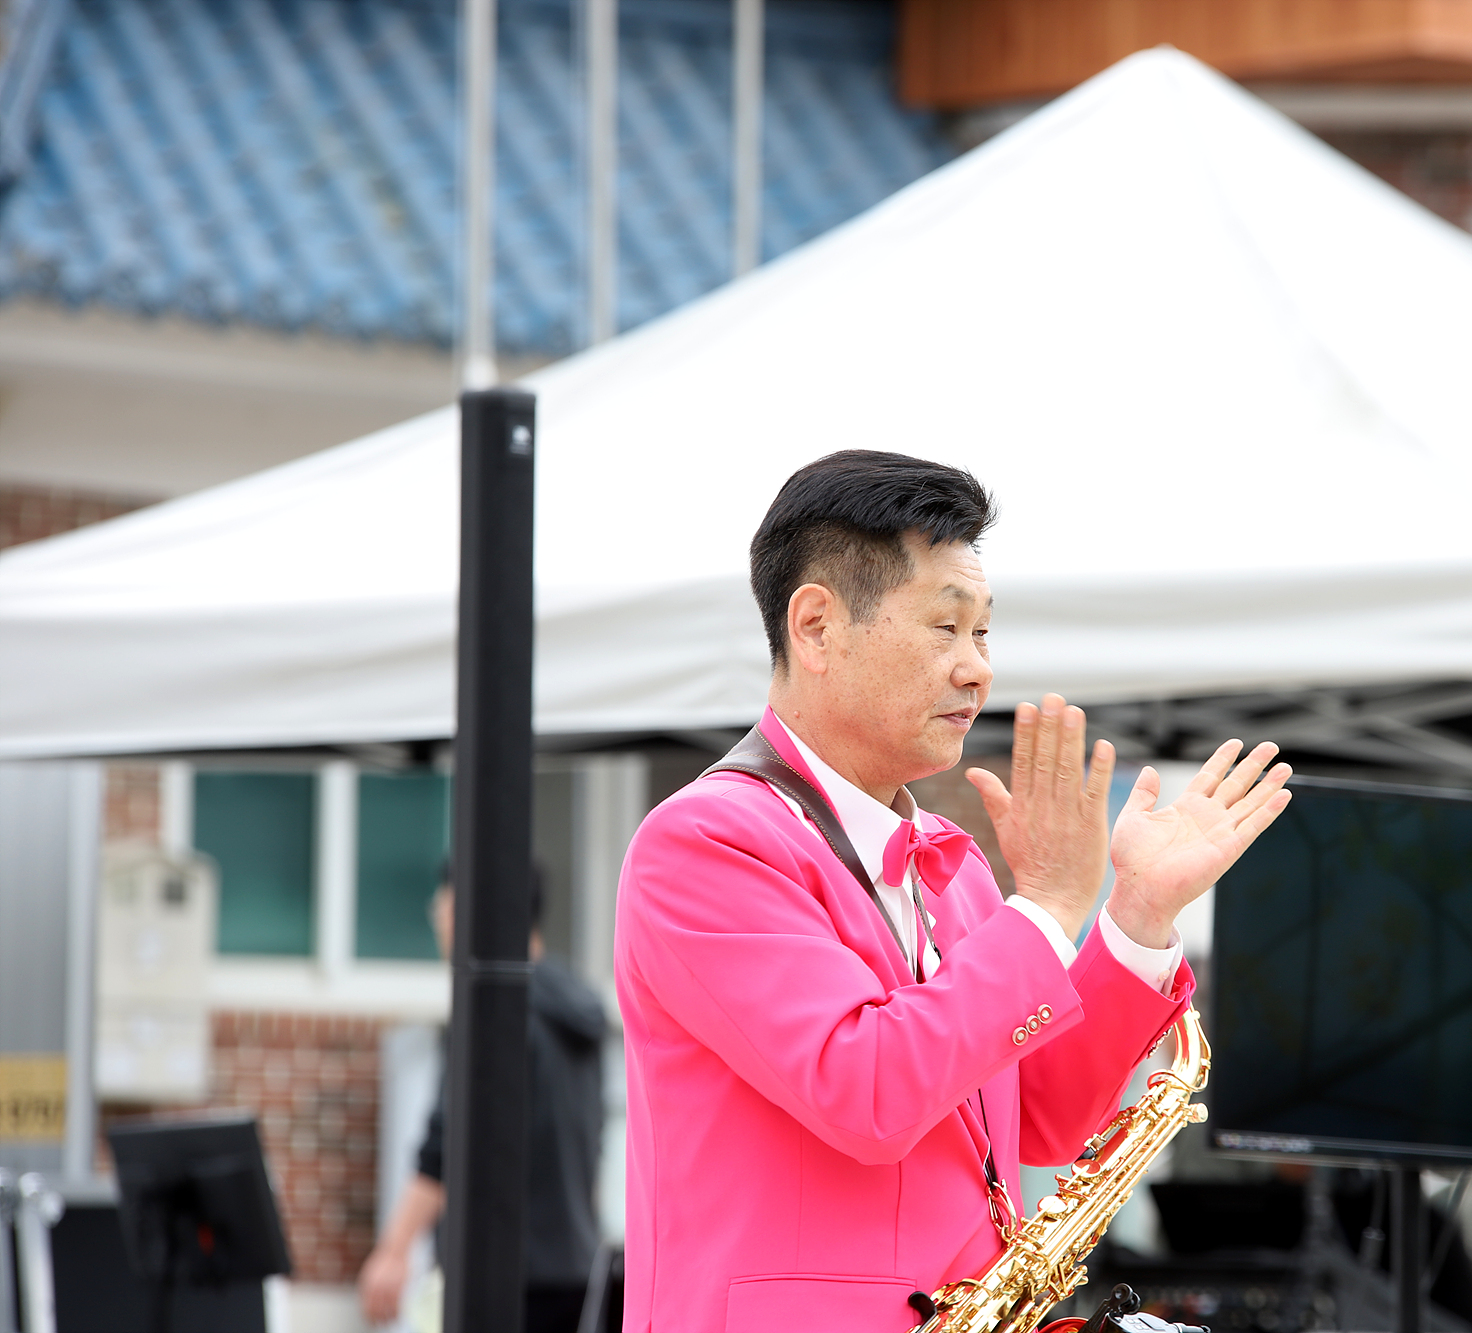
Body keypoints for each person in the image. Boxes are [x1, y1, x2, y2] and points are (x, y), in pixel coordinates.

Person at [615, 451, 1292, 1333]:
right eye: (946, 627)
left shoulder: (950, 864)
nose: (977, 670)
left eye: (984, 633)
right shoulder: (704, 842)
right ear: (816, 627)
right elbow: (866, 1088)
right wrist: (1046, 906)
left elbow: (1038, 1117)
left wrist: (1136, 914)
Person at [359, 868, 607, 1333]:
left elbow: (449, 1144)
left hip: (499, 1275)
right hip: (574, 1269)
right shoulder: (578, 1012)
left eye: (442, 907)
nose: (438, 921)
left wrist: (393, 1252)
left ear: (469, 910)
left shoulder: (492, 1007)